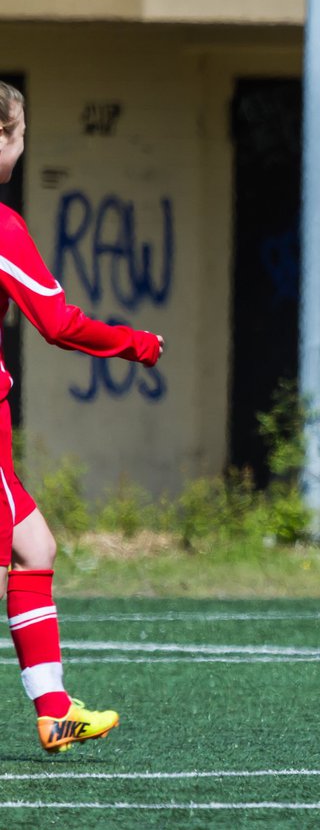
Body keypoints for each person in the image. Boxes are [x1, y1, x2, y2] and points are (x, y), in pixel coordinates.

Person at [0, 82, 164, 753]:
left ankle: (56, 711)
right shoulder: (3, 227)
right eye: (17, 134)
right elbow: (59, 323)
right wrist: (136, 343)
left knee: (33, 546)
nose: (21, 146)